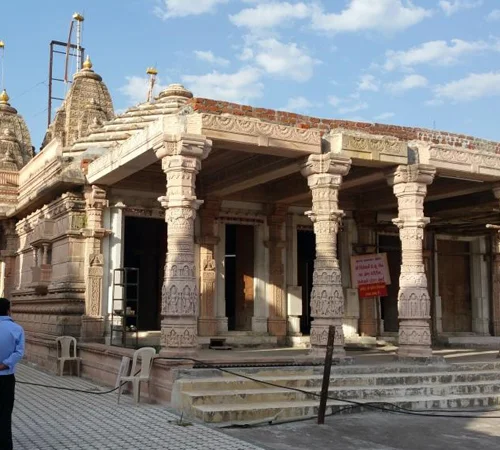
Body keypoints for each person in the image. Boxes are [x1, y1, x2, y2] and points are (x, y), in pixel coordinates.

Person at [0, 297, 25, 450]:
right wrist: (4, 364)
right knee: (5, 414)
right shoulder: (17, 329)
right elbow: (19, 352)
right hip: (7, 378)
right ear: (8, 310)